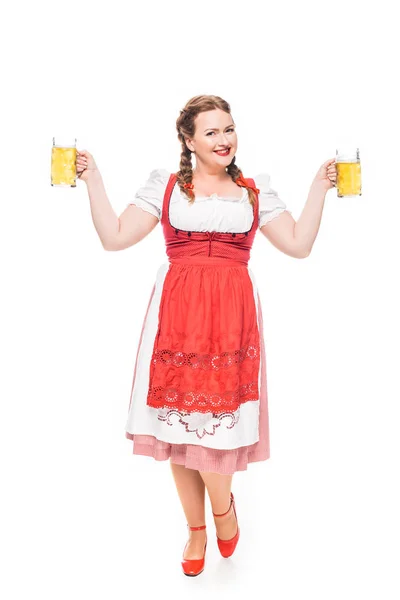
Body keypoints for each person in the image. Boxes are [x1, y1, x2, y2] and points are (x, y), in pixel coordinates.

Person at [77, 94, 337, 577]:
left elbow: (299, 246)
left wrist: (319, 189)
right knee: (176, 426)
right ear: (189, 140)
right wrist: (93, 179)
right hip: (177, 313)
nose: (225, 140)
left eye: (230, 129)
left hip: (232, 319)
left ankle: (223, 510)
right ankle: (197, 528)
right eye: (212, 132)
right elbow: (113, 237)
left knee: (221, 428)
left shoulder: (255, 192)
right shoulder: (169, 186)